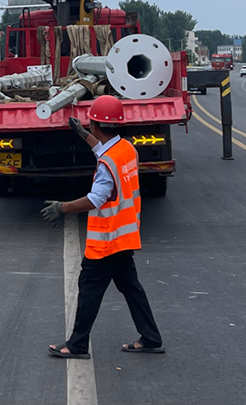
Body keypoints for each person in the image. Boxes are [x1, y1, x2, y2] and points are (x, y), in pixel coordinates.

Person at [41, 95, 163, 359]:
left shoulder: (107, 164)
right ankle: (151, 338)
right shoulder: (127, 149)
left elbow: (96, 198)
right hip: (125, 234)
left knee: (89, 288)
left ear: (96, 123)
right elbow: (104, 150)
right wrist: (84, 135)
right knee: (131, 287)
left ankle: (77, 345)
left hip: (106, 240)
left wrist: (62, 207)